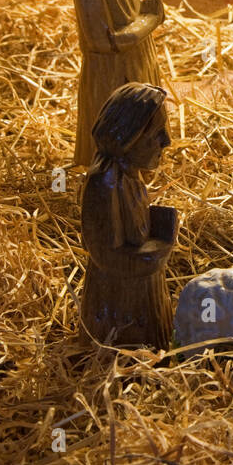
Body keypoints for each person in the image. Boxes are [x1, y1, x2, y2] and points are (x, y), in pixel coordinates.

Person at [66, 0, 164, 168]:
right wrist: (150, 20)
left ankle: (143, 169)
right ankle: (111, 179)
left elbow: (129, 12)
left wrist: (143, 14)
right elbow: (104, 42)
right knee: (118, 132)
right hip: (111, 76)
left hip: (138, 63)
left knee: (143, 126)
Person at [80, 82, 175, 350]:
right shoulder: (105, 183)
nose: (166, 141)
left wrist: (156, 223)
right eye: (156, 133)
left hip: (141, 295)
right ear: (128, 137)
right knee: (128, 348)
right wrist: (159, 248)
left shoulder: (129, 174)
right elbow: (107, 256)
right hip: (117, 307)